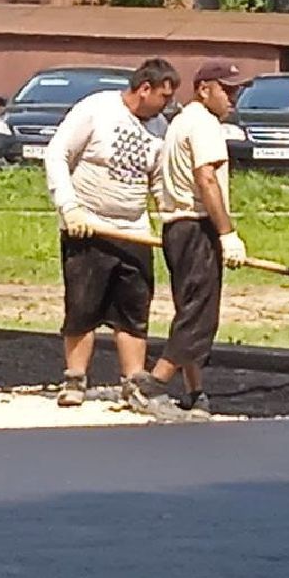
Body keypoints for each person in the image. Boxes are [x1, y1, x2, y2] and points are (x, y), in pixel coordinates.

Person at [44, 57, 179, 411]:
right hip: (88, 227)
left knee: (133, 310)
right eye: (164, 96)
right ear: (145, 88)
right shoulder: (97, 109)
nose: (168, 104)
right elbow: (57, 155)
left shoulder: (160, 127)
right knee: (82, 307)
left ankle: (133, 382)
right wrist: (69, 207)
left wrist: (172, 220)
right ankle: (75, 379)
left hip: (134, 231)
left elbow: (159, 180)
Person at [135, 59, 251, 417]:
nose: (233, 98)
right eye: (226, 90)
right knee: (200, 315)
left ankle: (194, 389)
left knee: (189, 308)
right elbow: (206, 178)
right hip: (197, 225)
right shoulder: (204, 124)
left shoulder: (181, 121)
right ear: (204, 89)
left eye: (236, 91)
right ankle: (153, 383)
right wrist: (227, 233)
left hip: (177, 227)